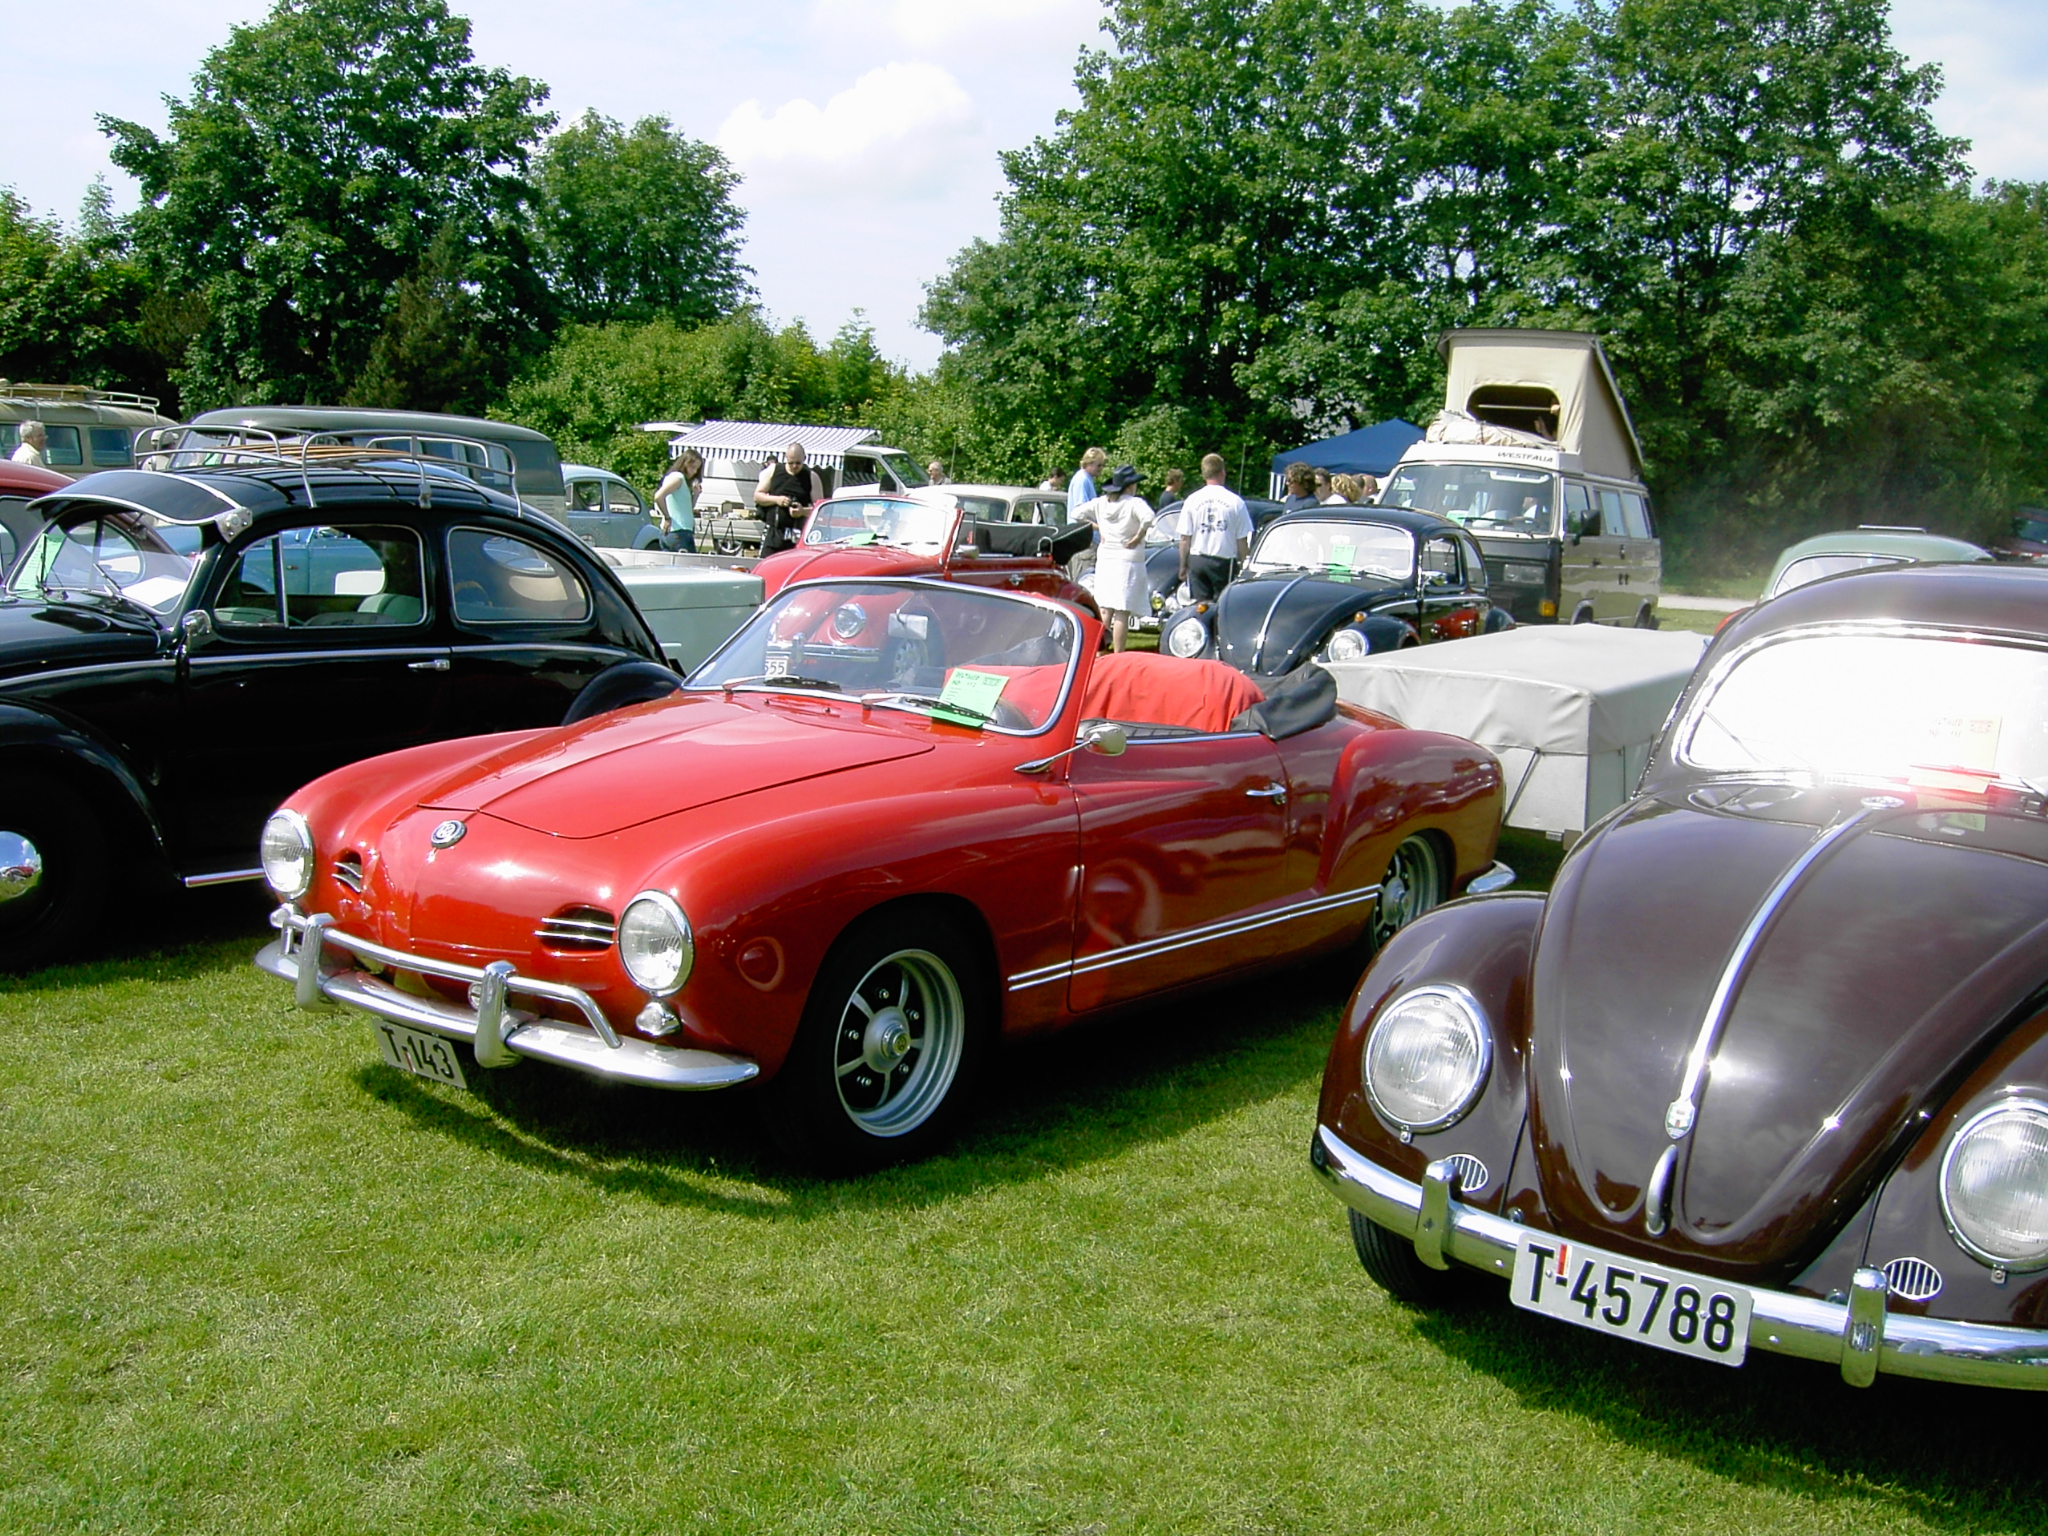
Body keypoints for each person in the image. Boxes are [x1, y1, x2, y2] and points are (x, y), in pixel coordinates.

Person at [1071, 465, 1153, 652]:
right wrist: (1138, 536)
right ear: (1130, 486)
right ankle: (1118, 653)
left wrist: (1098, 527)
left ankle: (1098, 651)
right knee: (1121, 611)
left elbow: (1076, 514)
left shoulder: (1101, 503)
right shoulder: (1134, 503)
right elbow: (1149, 518)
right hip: (1128, 558)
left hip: (1106, 557)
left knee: (1105, 608)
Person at [1176, 453, 1254, 603]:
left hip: (1198, 560)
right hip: (1223, 563)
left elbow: (1185, 538)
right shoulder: (1235, 502)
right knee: (1223, 605)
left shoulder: (1192, 500)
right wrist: (1245, 565)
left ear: (1204, 474)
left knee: (1200, 607)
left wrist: (1183, 565)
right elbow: (1242, 540)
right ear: (1222, 472)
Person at [755, 441, 825, 555]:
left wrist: (802, 511)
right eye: (791, 462)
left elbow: (820, 510)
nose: (794, 466)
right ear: (785, 458)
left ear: (804, 459)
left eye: (798, 463)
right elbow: (758, 496)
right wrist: (777, 500)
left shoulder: (812, 477)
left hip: (798, 535)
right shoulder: (773, 471)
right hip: (774, 533)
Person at [653, 449, 702, 553]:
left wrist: (696, 495)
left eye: (697, 469)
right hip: (680, 533)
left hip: (670, 533)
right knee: (689, 563)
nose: (694, 472)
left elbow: (686, 509)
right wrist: (667, 517)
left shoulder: (672, 478)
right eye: (693, 467)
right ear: (685, 463)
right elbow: (658, 496)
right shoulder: (678, 478)